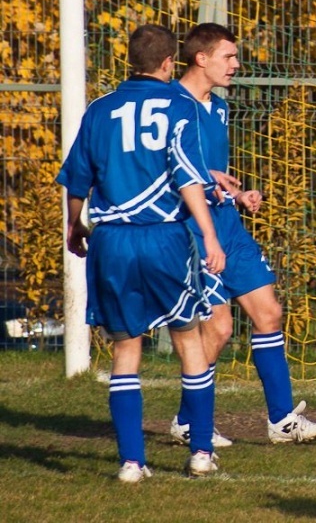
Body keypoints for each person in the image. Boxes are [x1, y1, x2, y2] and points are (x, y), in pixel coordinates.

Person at [56, 24, 226, 482]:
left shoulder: (99, 109)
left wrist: (75, 226)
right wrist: (209, 237)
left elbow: (77, 179)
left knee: (125, 349)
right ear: (171, 62)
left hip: (111, 241)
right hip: (163, 236)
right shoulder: (179, 106)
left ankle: (132, 462)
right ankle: (201, 451)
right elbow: (188, 177)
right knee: (188, 338)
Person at [168, 22, 316, 447]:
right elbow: (160, 172)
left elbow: (210, 172)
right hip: (190, 228)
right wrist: (207, 180)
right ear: (201, 58)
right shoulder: (168, 104)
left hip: (227, 222)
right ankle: (187, 420)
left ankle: (282, 421)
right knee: (219, 328)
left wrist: (238, 193)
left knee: (269, 313)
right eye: (228, 56)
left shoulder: (218, 107)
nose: (236, 65)